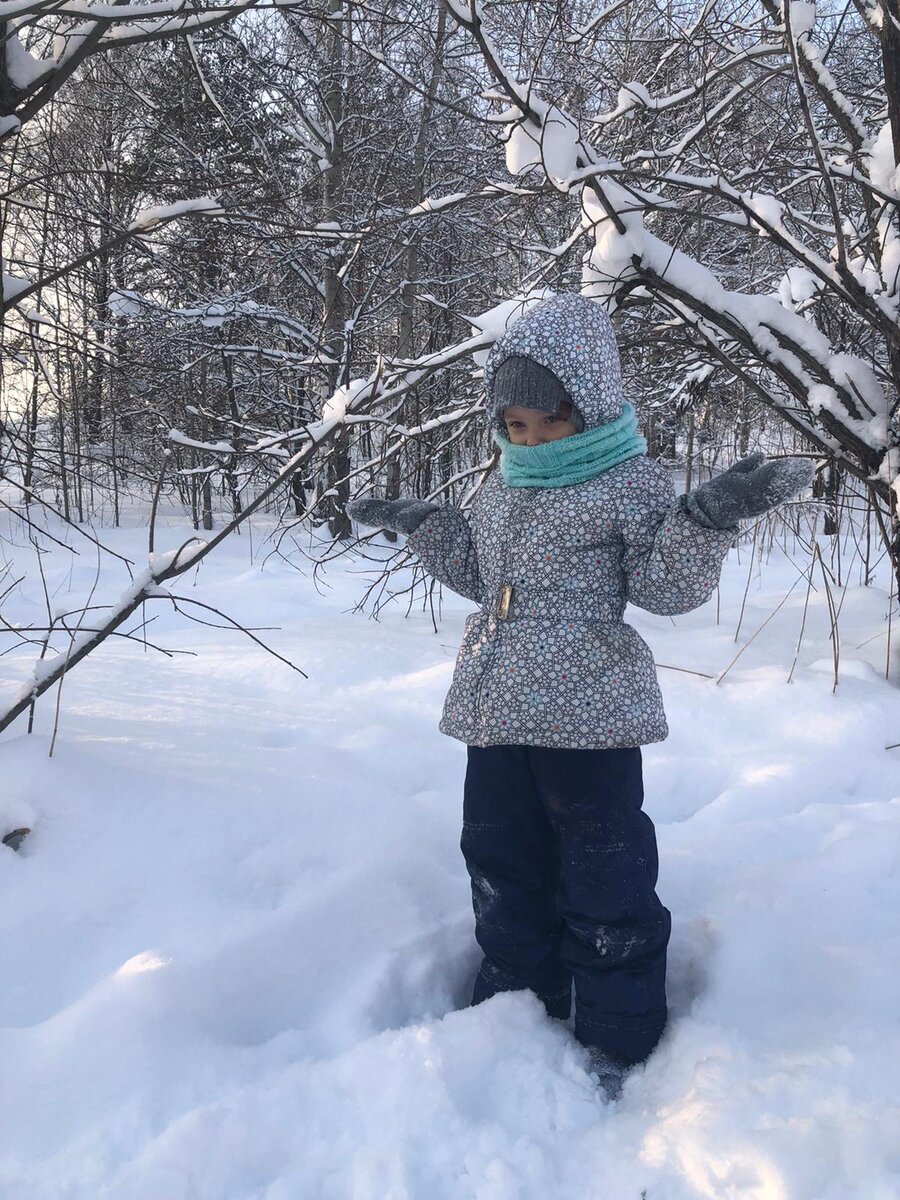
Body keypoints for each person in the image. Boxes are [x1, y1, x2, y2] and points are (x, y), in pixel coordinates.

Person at [348, 294, 812, 1099]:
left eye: (544, 423)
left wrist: (709, 517)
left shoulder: (628, 484)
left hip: (589, 723)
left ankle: (618, 1031)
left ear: (587, 407)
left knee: (606, 878)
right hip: (495, 717)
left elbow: (665, 589)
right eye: (514, 425)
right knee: (500, 863)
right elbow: (480, 575)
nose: (528, 440)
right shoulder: (503, 485)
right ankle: (516, 1003)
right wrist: (425, 524)